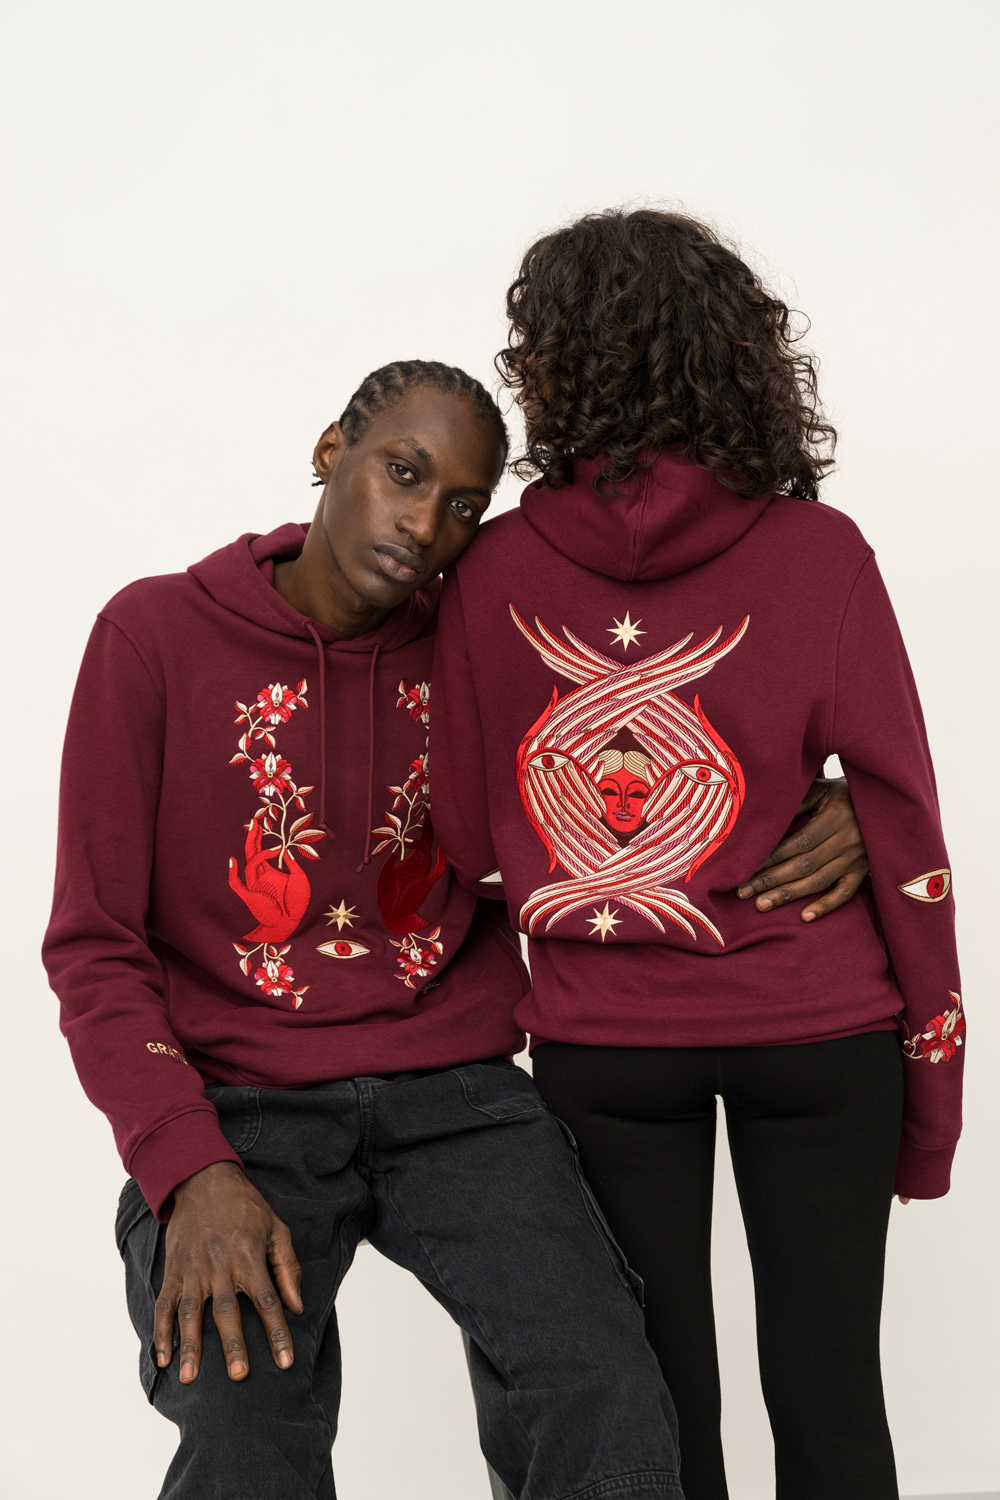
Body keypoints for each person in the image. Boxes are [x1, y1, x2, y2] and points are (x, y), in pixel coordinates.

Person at [44, 356, 867, 1500]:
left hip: (459, 1095)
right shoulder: (152, 635)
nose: (426, 524)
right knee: (241, 1421)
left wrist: (851, 806)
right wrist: (187, 1171)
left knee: (610, 1393)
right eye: (404, 473)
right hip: (236, 1104)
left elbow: (664, 743)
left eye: (464, 504)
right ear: (331, 450)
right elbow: (92, 945)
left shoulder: (487, 639)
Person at [431, 211, 963, 1500]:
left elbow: (460, 837)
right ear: (737, 356)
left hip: (609, 1044)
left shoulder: (489, 571)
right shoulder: (820, 553)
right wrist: (934, 1094)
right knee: (833, 1403)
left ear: (555, 366)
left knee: (656, 1413)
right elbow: (903, 818)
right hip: (820, 1031)